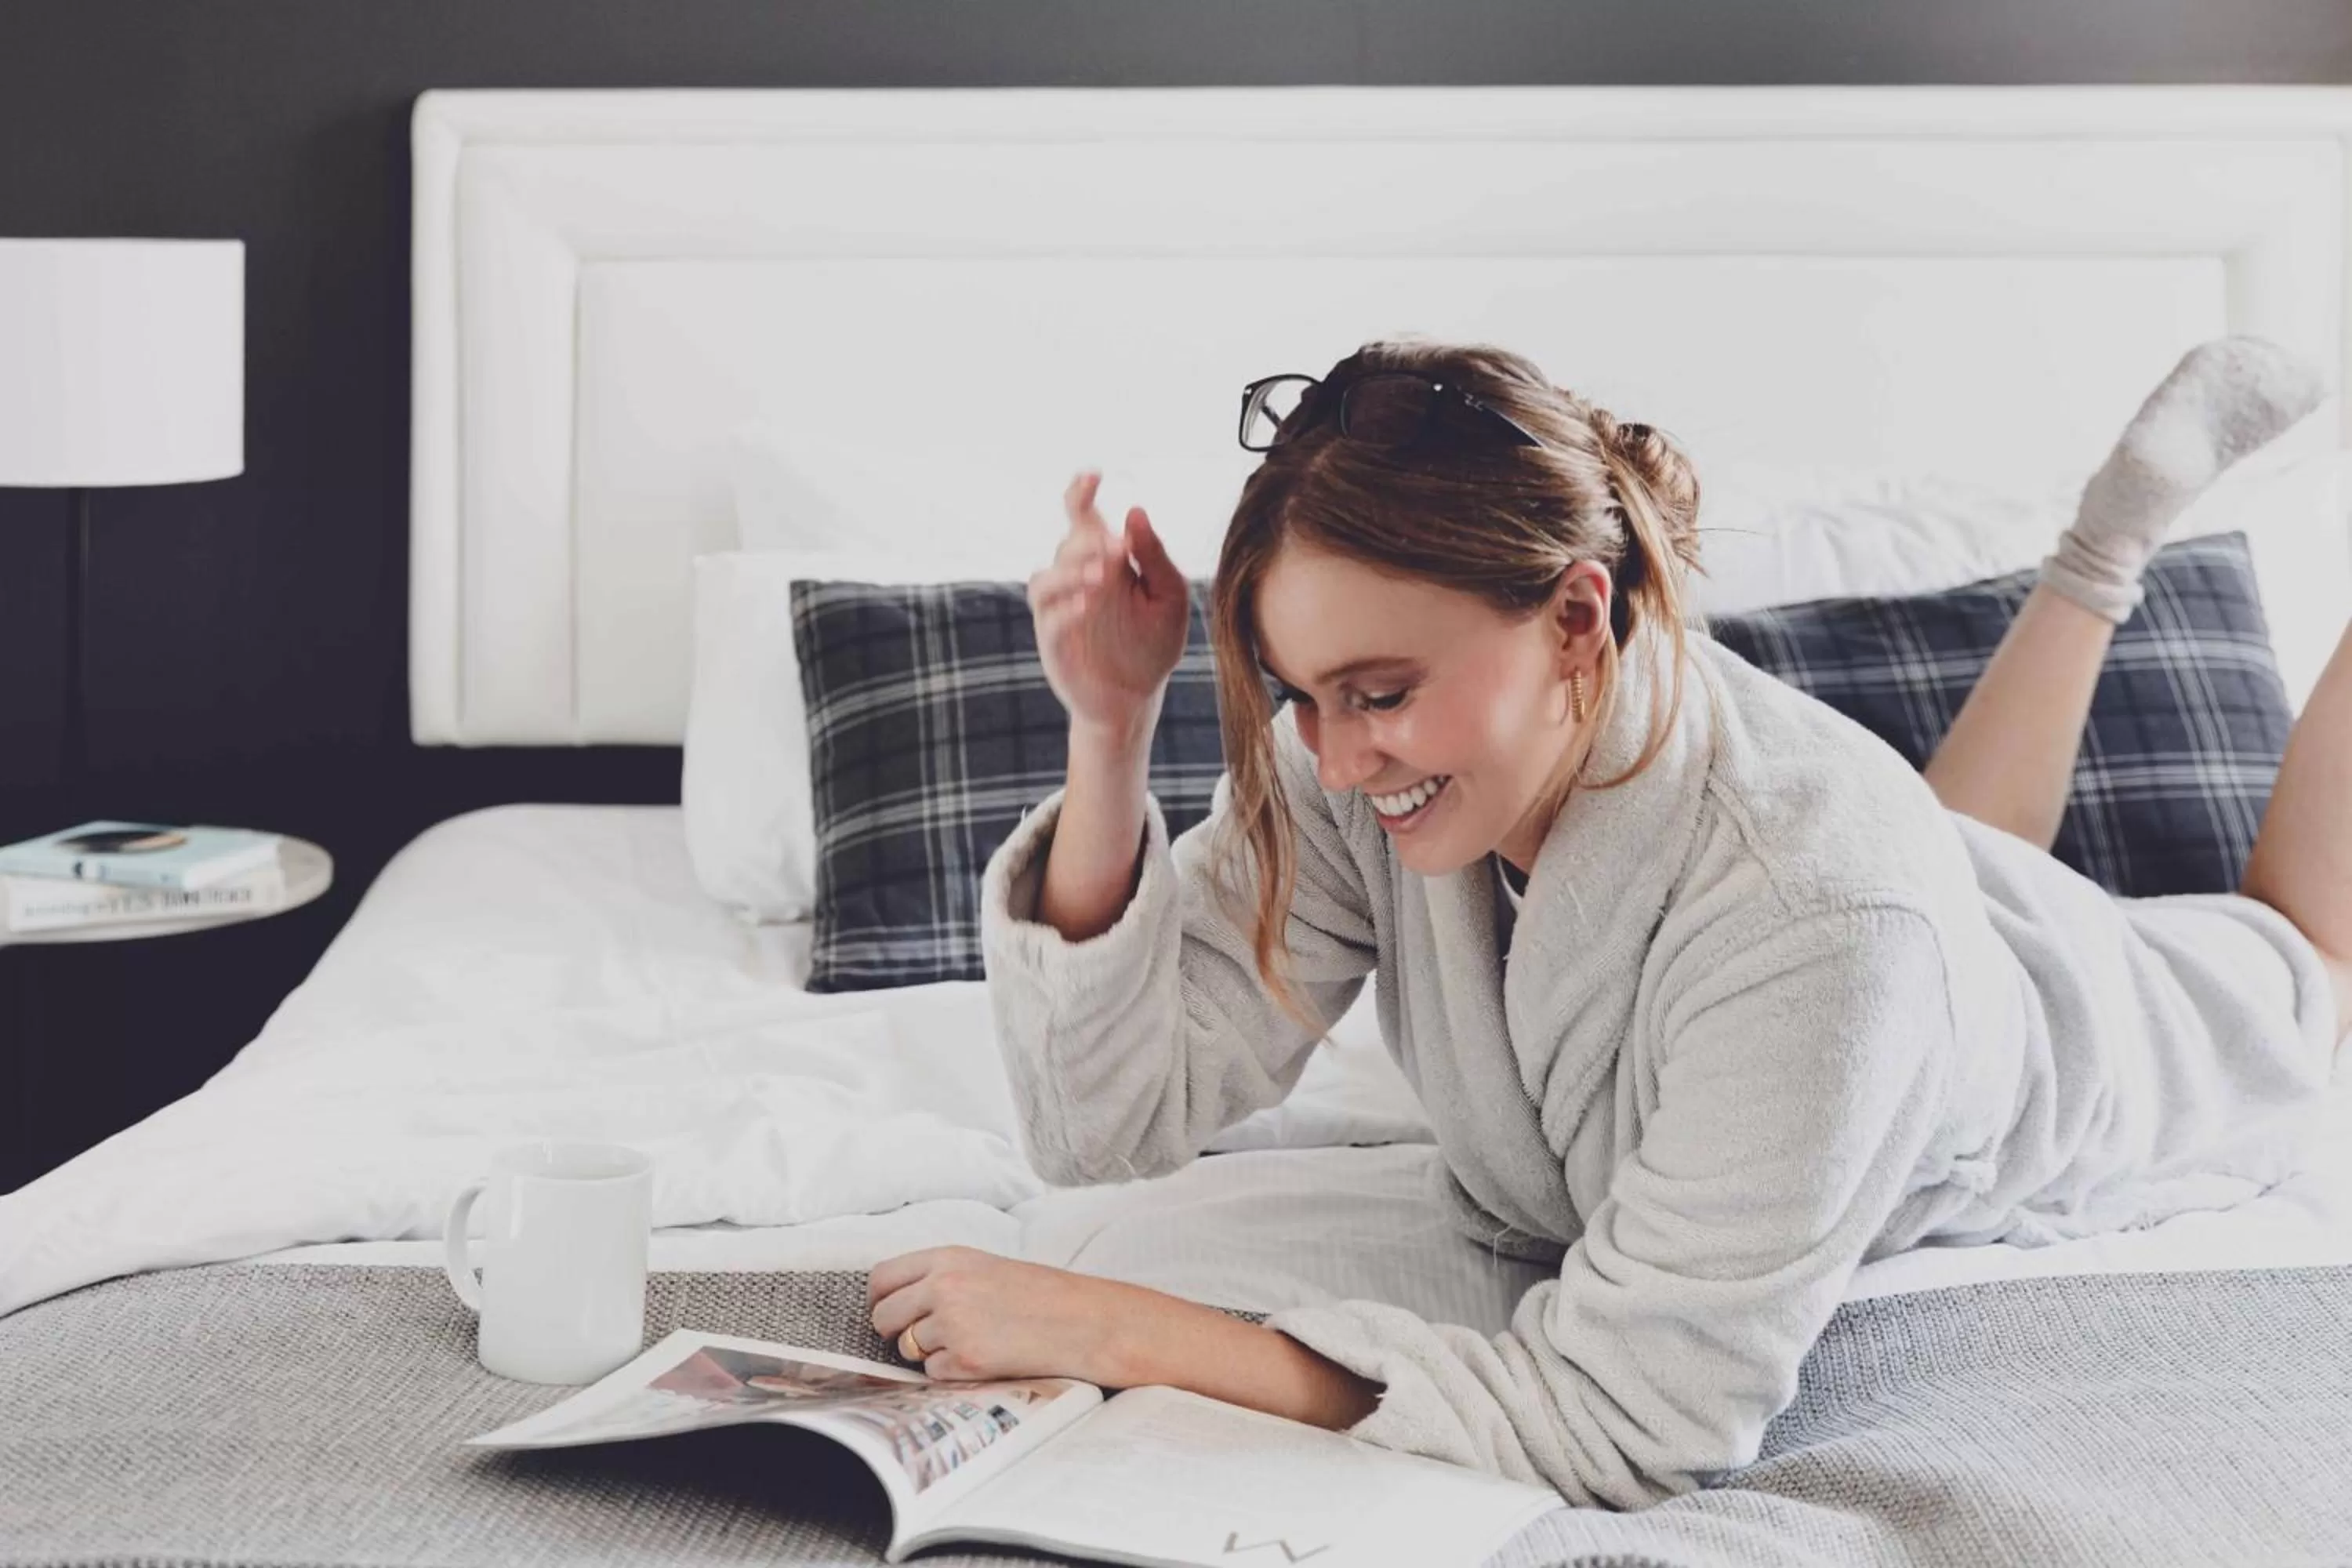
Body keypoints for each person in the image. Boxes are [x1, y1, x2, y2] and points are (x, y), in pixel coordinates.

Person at [866, 336, 2350, 1508]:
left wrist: (1113, 1326)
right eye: (1295, 697)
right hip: (1907, 913)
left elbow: (1627, 1424)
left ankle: (2124, 554)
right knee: (1960, 853)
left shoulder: (1828, 916)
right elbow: (1107, 1115)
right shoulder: (1361, 771)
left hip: (2079, 1033)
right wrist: (1111, 729)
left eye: (1382, 693)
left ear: (1580, 619)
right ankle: (2106, 546)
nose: (1331, 757)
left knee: (2309, 968)